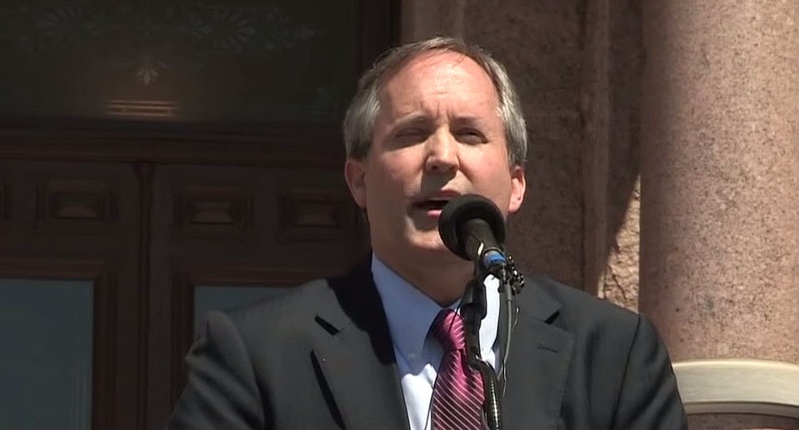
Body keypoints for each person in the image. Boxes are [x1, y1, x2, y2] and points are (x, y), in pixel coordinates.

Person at [167, 36, 687, 429]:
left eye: (469, 133)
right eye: (411, 134)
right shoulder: (254, 355)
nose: (441, 157)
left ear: (516, 185)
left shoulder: (615, 354)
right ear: (359, 181)